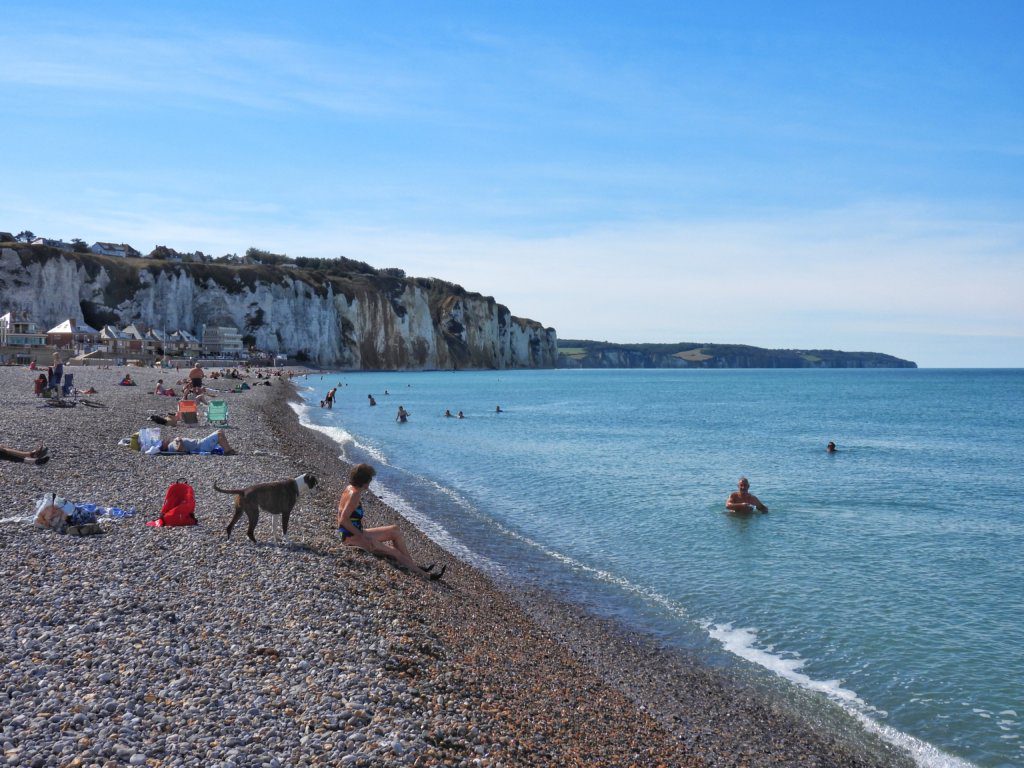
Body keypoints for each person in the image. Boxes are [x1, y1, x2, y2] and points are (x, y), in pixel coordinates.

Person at [336, 464, 444, 581]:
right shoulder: (354, 494)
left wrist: (360, 533)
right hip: (352, 538)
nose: (369, 484)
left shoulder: (350, 488)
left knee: (394, 530)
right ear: (364, 481)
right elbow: (343, 520)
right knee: (395, 553)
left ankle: (412, 565)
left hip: (354, 533)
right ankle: (427, 576)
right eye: (369, 480)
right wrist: (362, 537)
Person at [153, 429, 236, 455]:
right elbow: (180, 450)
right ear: (163, 447)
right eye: (162, 442)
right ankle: (227, 451)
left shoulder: (171, 444)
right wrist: (179, 440)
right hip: (201, 446)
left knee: (220, 432)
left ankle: (228, 450)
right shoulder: (171, 446)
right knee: (219, 433)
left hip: (200, 443)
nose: (164, 440)